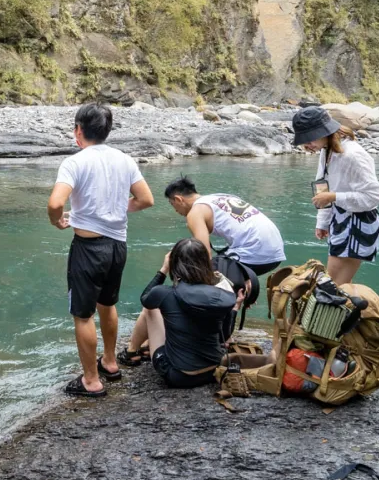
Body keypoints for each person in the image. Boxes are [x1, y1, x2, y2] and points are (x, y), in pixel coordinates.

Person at [47, 102, 155, 398]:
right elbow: (146, 199)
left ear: (78, 131)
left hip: (88, 248)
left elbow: (56, 203)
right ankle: (109, 362)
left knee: (82, 315)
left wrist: (58, 221)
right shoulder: (124, 159)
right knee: (108, 304)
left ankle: (91, 381)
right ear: (107, 131)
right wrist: (119, 207)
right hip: (117, 246)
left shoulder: (75, 162)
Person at [129, 238, 240, 389]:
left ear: (174, 264)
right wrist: (235, 307)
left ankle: (131, 352)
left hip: (179, 376)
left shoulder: (164, 293)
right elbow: (226, 335)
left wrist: (163, 269)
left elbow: (145, 298)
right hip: (214, 370)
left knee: (150, 309)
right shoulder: (221, 295)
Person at [292, 107, 379, 285]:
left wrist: (334, 197)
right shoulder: (327, 150)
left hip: (358, 221)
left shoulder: (353, 155)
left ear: (325, 132)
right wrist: (322, 222)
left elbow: (374, 196)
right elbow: (322, 187)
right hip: (340, 218)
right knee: (338, 287)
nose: (306, 145)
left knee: (334, 287)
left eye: (309, 138)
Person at [163, 177, 285, 275]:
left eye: (172, 204)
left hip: (254, 255)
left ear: (178, 199)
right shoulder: (221, 197)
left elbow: (204, 255)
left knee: (195, 275)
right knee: (219, 262)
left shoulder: (195, 213)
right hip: (275, 254)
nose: (175, 210)